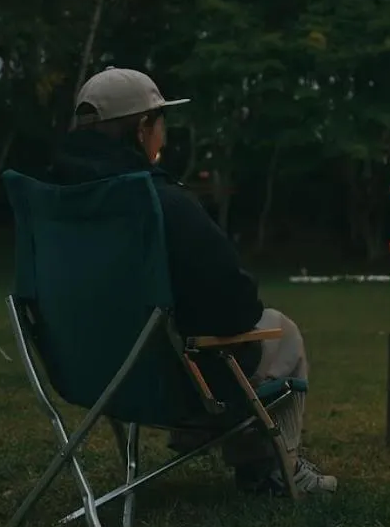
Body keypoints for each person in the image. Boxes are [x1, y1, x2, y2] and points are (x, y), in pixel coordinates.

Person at [49, 66, 337, 495]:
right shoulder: (157, 202)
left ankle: (225, 440)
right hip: (164, 383)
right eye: (160, 122)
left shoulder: (55, 200)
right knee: (282, 330)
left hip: (85, 373)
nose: (163, 135)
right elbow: (236, 306)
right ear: (143, 128)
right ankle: (276, 469)